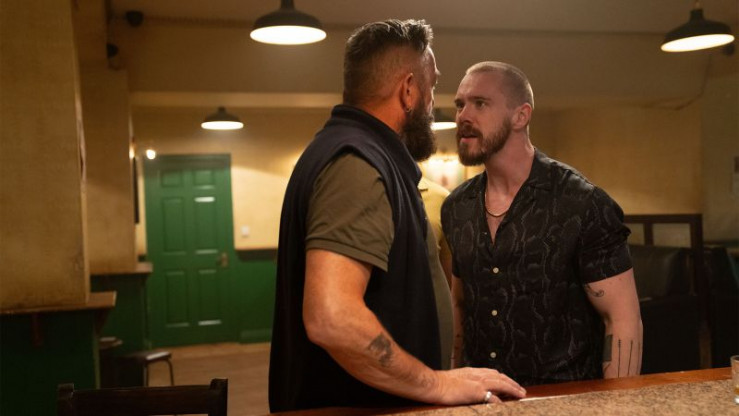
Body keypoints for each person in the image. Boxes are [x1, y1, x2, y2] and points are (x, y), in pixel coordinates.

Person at [268, 22, 526, 412]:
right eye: (431, 87)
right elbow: (331, 317)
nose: (433, 103)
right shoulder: (357, 164)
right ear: (408, 90)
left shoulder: (361, 153)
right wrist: (435, 384)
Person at [441, 61, 643, 386]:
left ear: (521, 116)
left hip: (567, 400)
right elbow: (460, 304)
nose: (463, 115)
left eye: (480, 103)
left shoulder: (581, 202)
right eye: (460, 104)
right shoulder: (456, 207)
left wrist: (619, 404)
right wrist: (452, 384)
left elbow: (621, 319)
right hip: (482, 398)